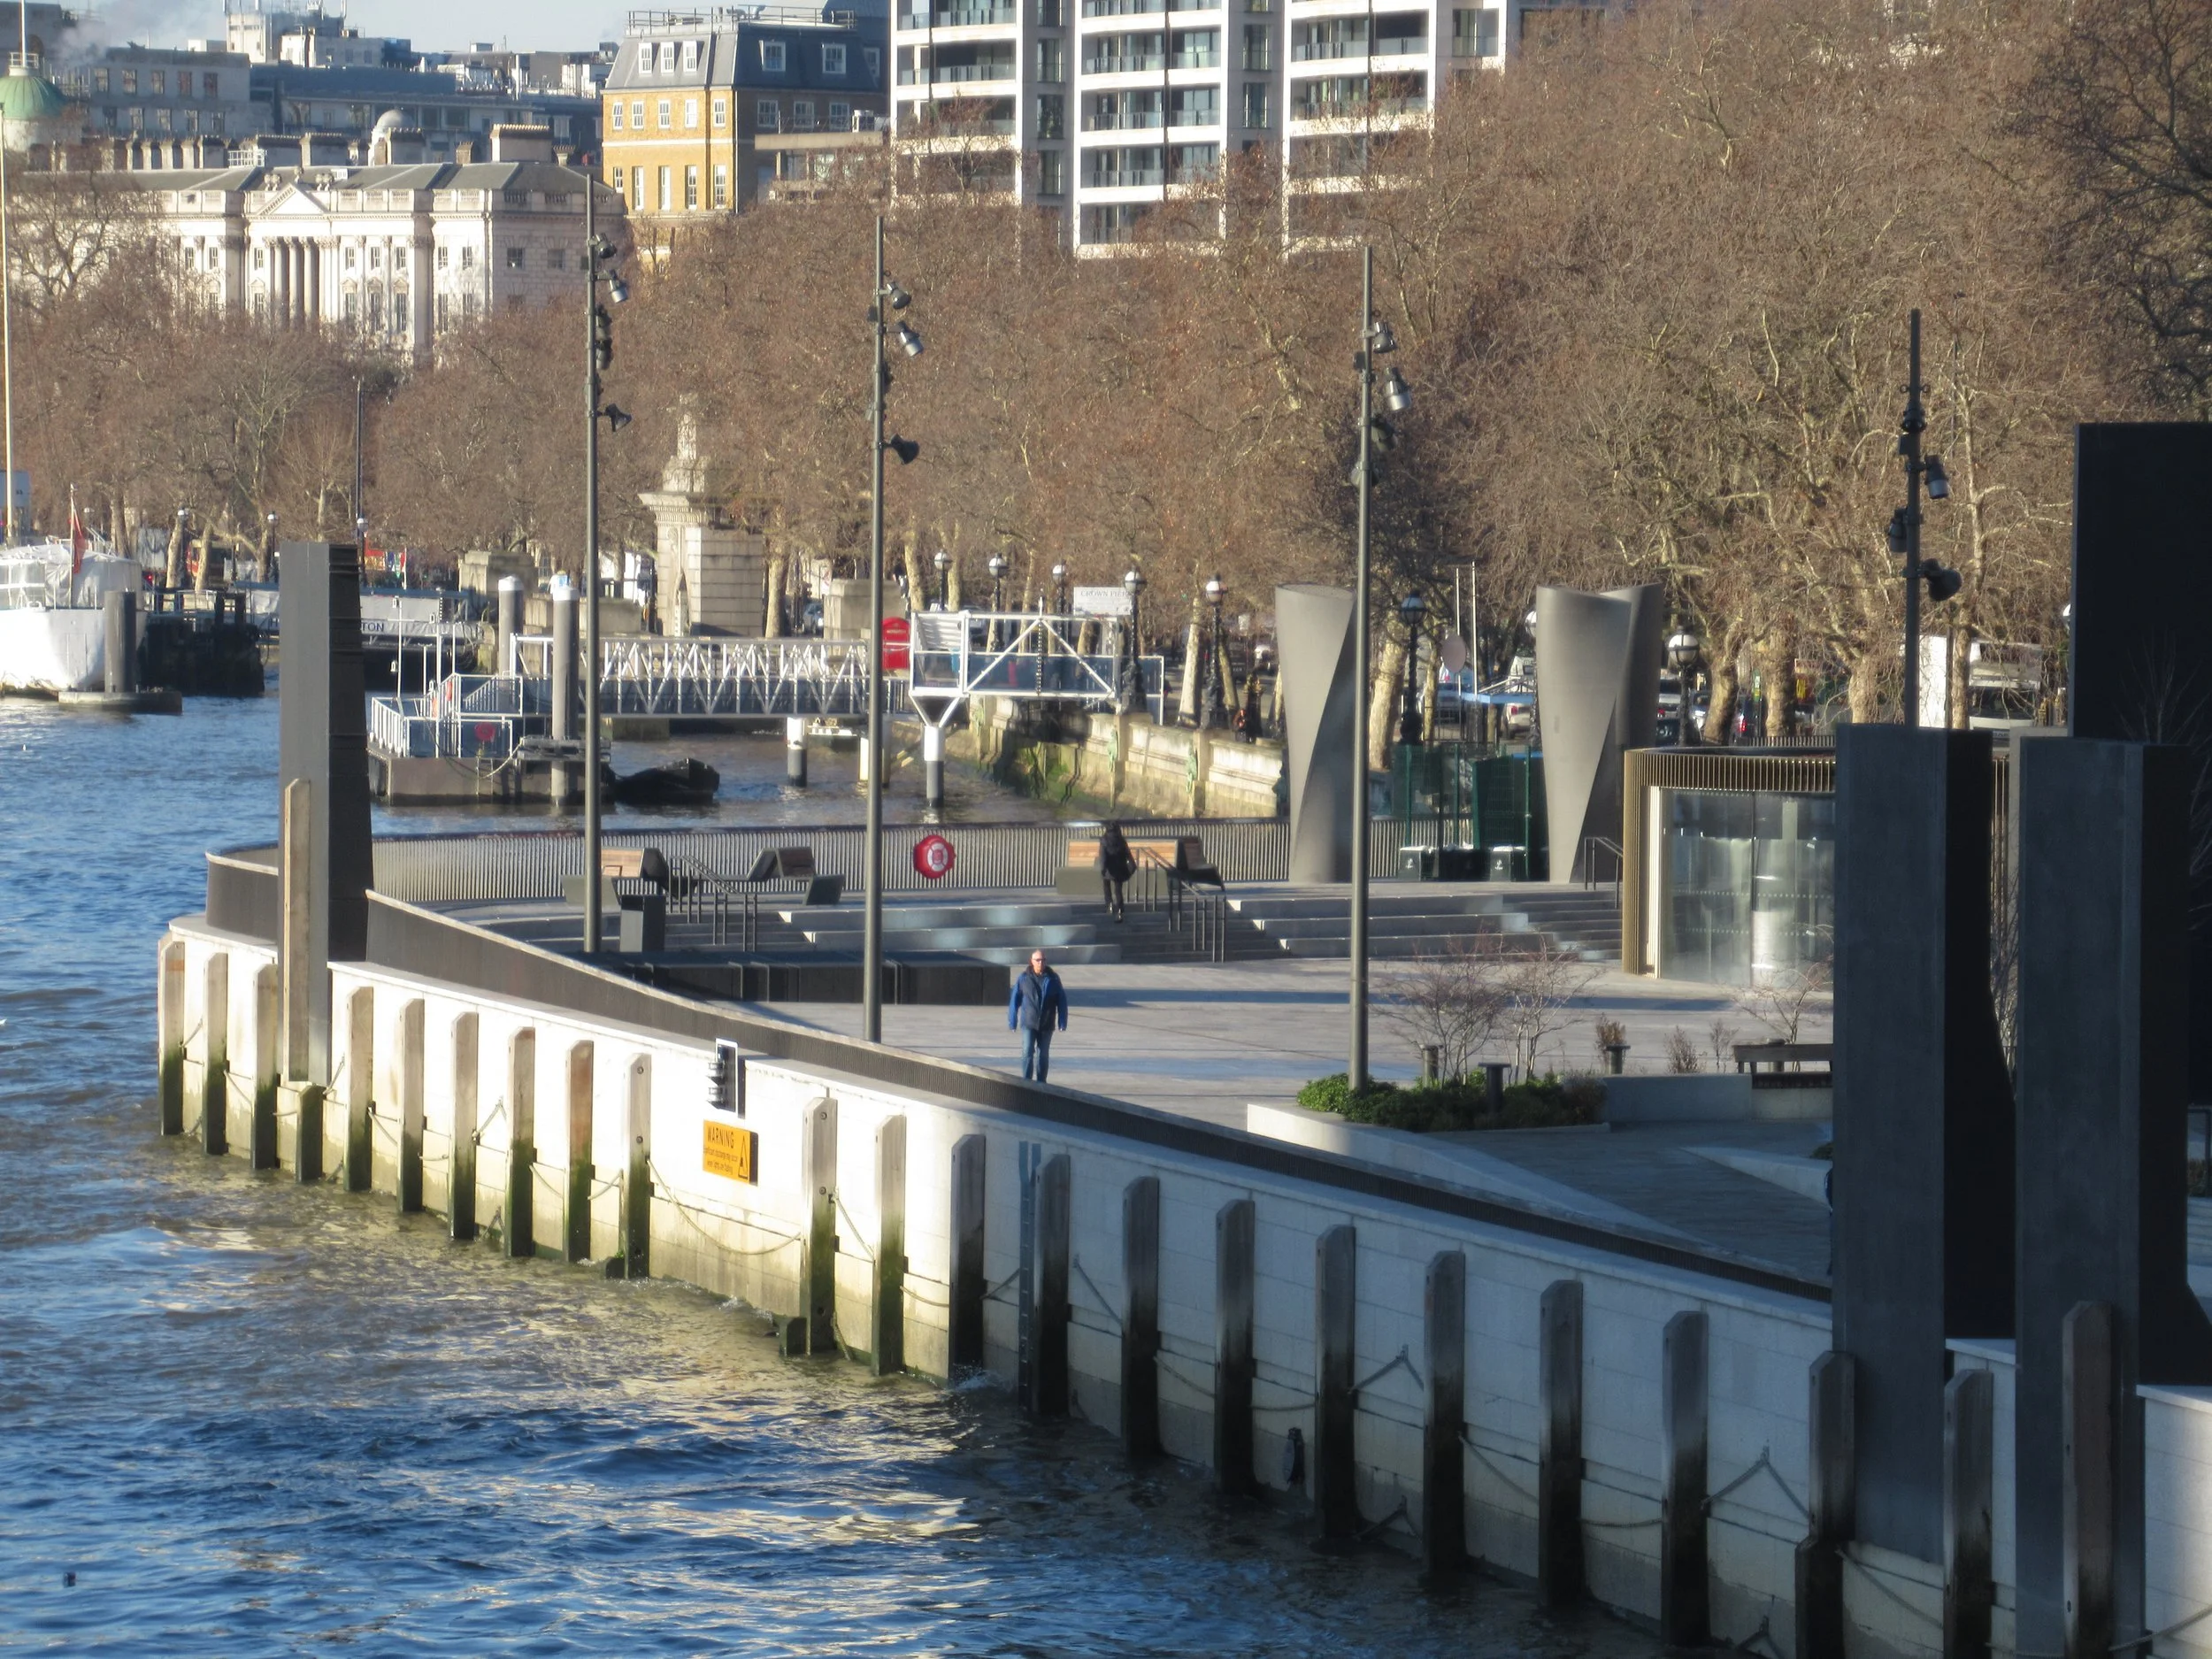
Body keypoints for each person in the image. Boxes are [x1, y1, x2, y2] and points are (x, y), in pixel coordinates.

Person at [1008, 949, 1069, 1082]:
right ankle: (1026, 1082)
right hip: (1029, 1022)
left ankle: (1041, 1083)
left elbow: (1062, 1001)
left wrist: (1062, 1022)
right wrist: (1012, 1021)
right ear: (1031, 961)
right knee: (1027, 1052)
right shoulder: (1024, 978)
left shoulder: (1053, 979)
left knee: (1043, 1055)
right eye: (1038, 960)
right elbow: (1015, 1000)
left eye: (1043, 960)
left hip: (1046, 1023)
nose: (1041, 963)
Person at [1097, 820, 1137, 922]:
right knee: (1118, 889)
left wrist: (1103, 868)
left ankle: (1109, 904)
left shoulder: (1104, 840)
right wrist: (1132, 866)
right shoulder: (1121, 840)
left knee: (1106, 885)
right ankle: (1119, 908)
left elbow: (1103, 856)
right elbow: (1128, 854)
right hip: (1120, 867)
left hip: (1109, 868)